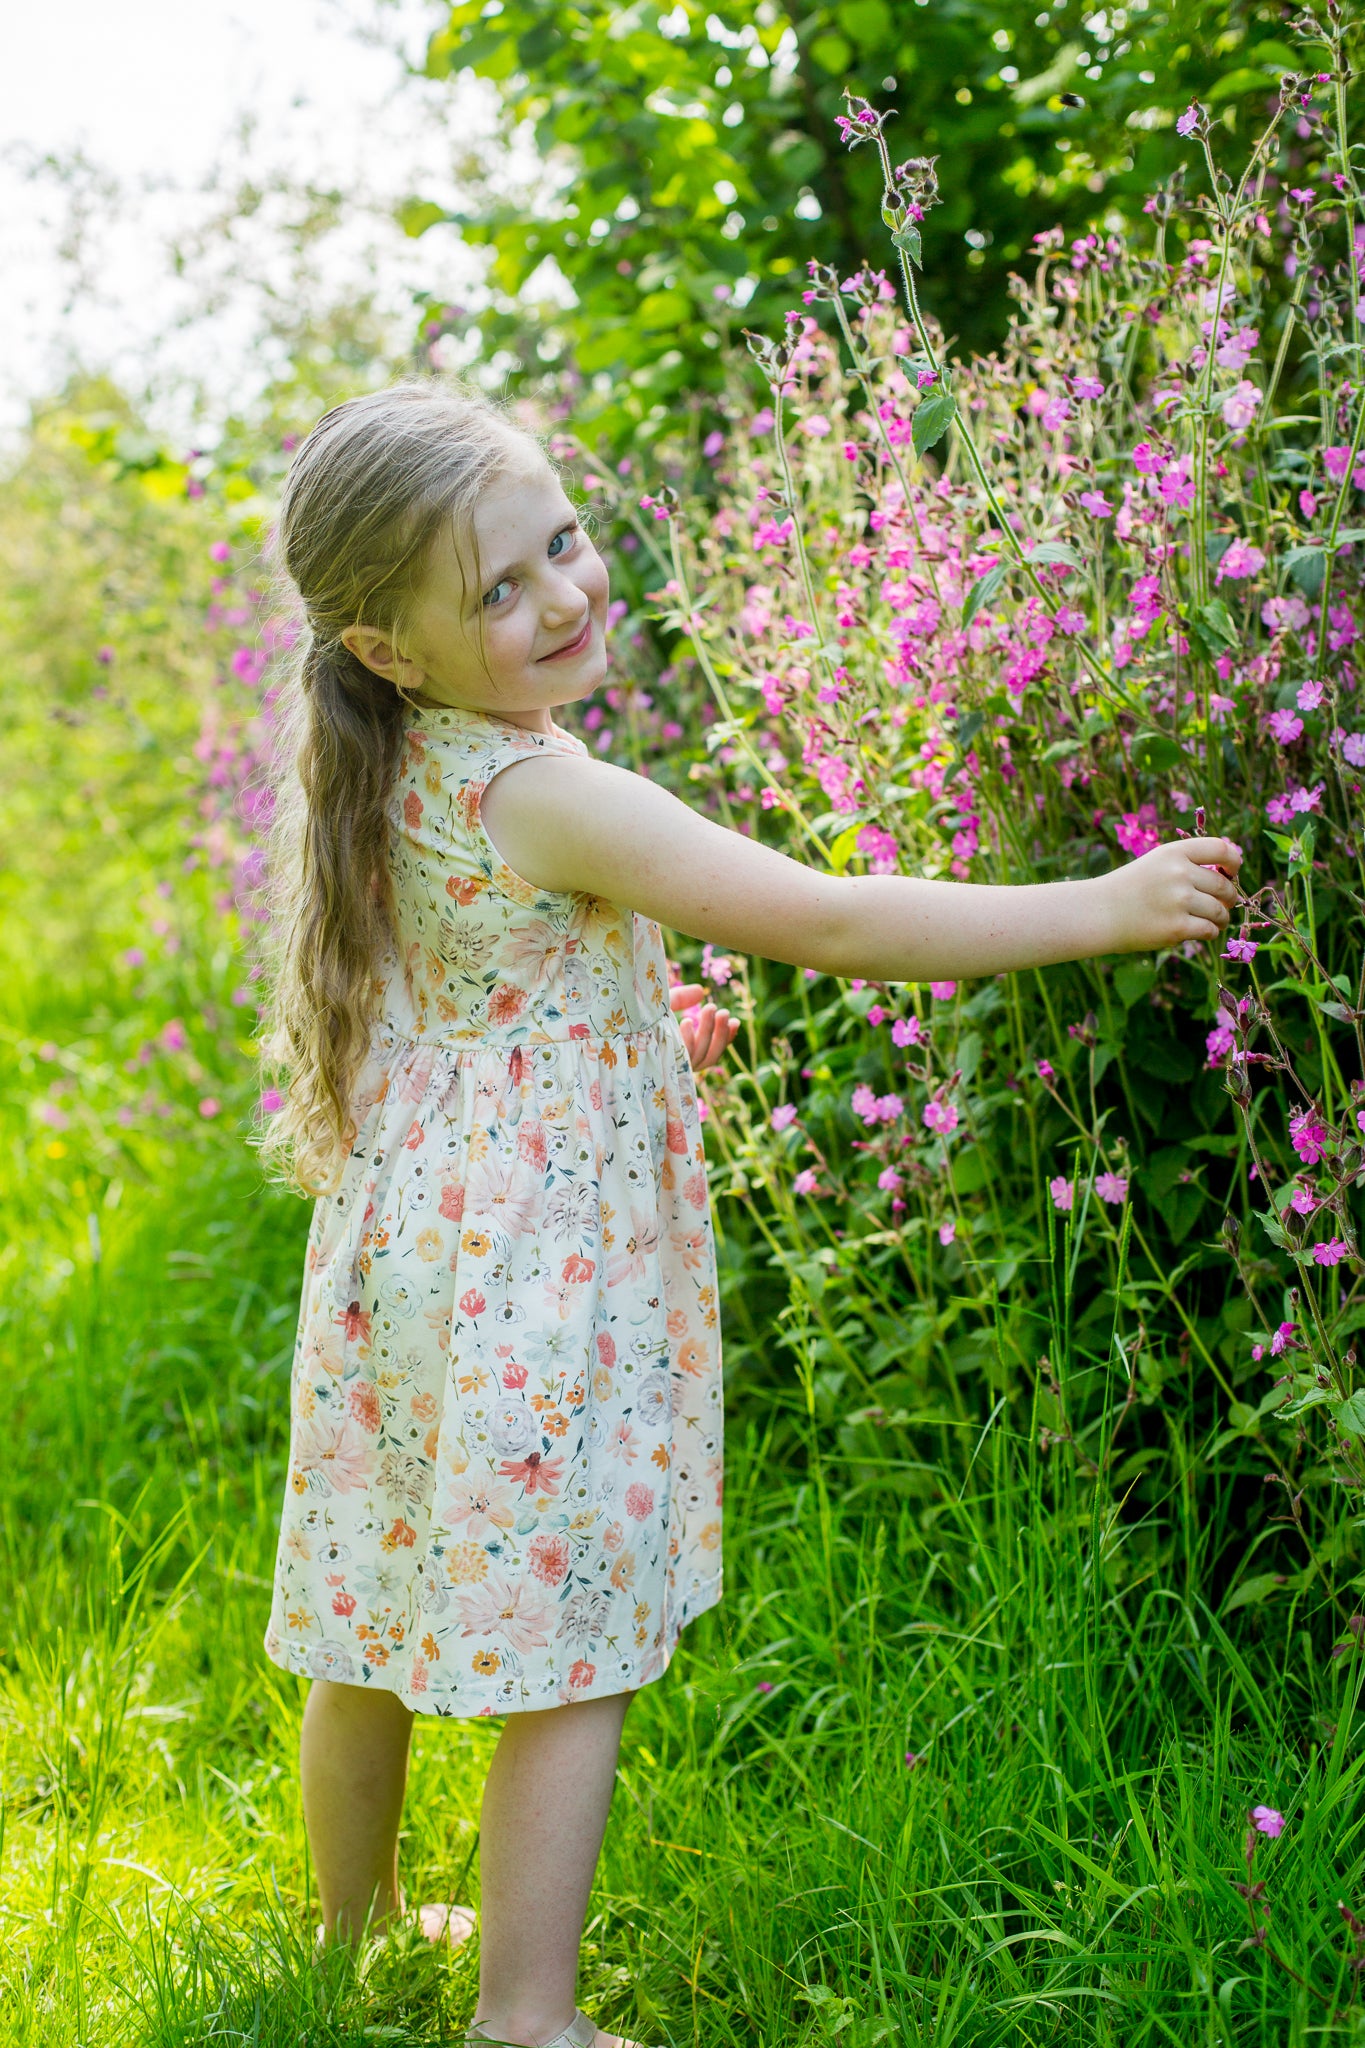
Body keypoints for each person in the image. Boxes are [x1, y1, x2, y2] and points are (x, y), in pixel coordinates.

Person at [257, 378, 1240, 2048]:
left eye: (558, 543)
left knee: (372, 1598)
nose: (562, 592)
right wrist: (1098, 904)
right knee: (570, 1647)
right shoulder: (548, 789)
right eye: (499, 586)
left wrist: (639, 1036)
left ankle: (345, 1940)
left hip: (411, 1251)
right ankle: (527, 2018)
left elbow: (485, 990)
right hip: (531, 1286)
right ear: (391, 646)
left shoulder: (393, 765)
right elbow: (831, 923)